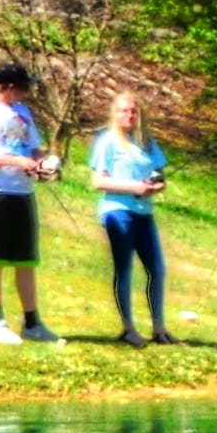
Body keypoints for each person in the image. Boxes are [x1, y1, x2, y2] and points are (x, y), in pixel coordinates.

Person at [0, 58, 57, 346]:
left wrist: (44, 163)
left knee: (26, 259)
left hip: (22, 194)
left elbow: (34, 147)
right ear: (11, 87)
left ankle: (32, 322)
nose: (28, 93)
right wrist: (13, 160)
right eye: (25, 87)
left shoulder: (22, 112)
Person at [86, 92, 175, 345]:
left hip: (144, 214)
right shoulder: (108, 142)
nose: (129, 116)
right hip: (117, 211)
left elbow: (160, 176)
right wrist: (134, 187)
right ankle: (128, 328)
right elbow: (99, 181)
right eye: (124, 111)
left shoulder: (147, 143)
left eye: (134, 111)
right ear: (115, 114)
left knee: (157, 269)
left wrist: (155, 186)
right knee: (124, 268)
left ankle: (159, 328)